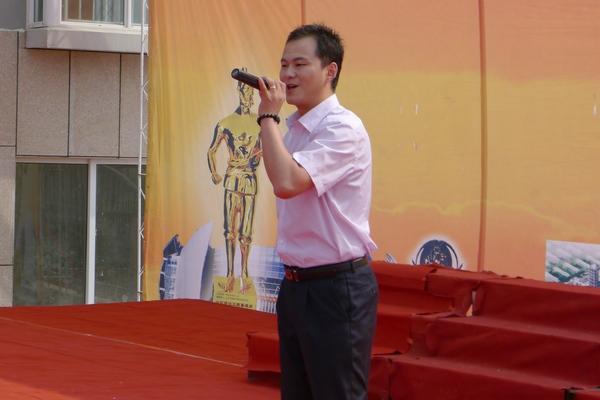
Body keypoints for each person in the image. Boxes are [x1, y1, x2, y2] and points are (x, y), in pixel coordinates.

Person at [257, 24, 378, 400]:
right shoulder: (293, 129)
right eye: (283, 65)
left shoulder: (343, 128)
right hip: (296, 286)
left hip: (337, 287)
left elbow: (287, 182)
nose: (287, 75)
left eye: (299, 65)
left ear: (330, 70)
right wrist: (273, 122)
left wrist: (267, 117)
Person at [207, 72, 262, 294]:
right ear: (239, 92)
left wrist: (256, 158)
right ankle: (230, 274)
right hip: (231, 181)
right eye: (245, 91)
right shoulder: (226, 123)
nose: (248, 96)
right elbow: (211, 151)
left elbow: (264, 150)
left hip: (249, 180)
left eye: (250, 92)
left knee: (246, 233)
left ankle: (245, 275)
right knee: (229, 231)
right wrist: (214, 173)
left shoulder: (260, 123)